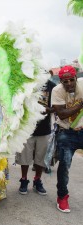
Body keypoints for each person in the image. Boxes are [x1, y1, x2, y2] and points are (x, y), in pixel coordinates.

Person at [51, 65, 83, 213]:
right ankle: (62, 197)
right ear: (60, 81)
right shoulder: (57, 91)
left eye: (71, 80)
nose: (69, 83)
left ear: (76, 77)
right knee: (64, 165)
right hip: (66, 132)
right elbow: (62, 113)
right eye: (65, 81)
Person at [16, 79, 56, 195]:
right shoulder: (26, 83)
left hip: (44, 130)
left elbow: (56, 106)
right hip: (27, 130)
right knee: (25, 158)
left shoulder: (52, 86)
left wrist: (47, 110)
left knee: (41, 158)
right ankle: (24, 180)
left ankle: (37, 180)